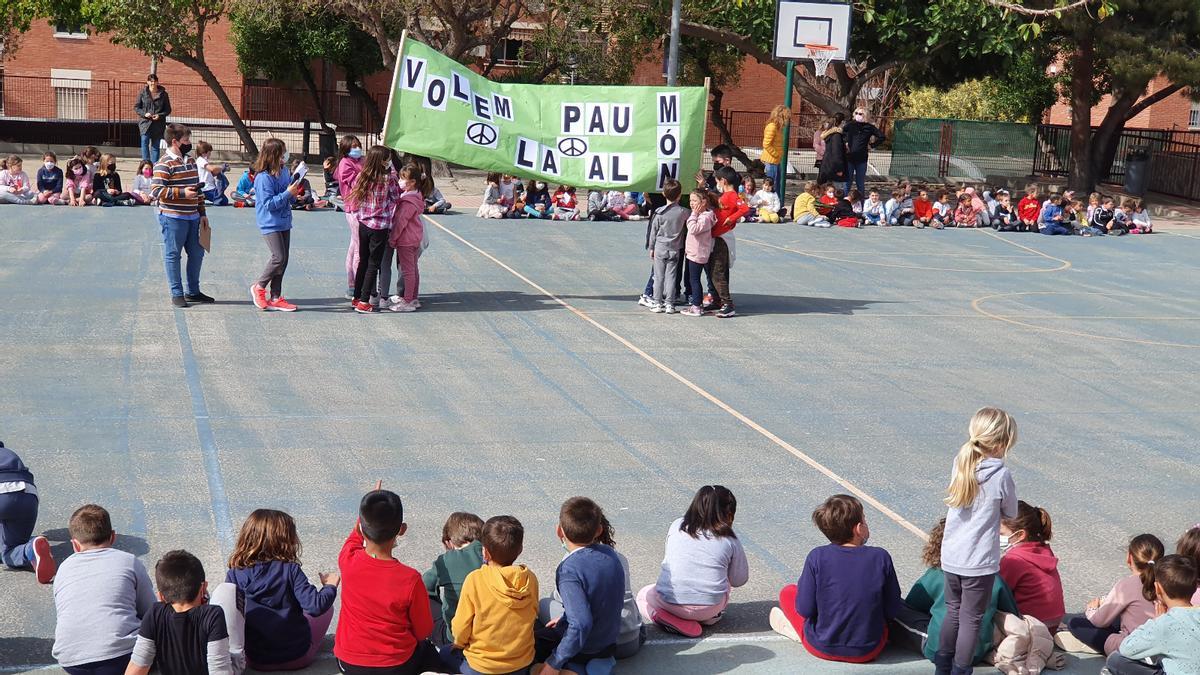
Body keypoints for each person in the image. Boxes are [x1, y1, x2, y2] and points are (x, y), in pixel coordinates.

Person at [936, 407, 1019, 675]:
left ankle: (942, 665)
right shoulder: (1001, 475)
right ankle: (961, 670)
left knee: (952, 611)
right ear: (1002, 443)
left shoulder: (961, 463)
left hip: (952, 555)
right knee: (971, 618)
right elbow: (1012, 512)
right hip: (979, 561)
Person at [772, 494, 900, 663]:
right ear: (859, 528)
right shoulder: (881, 557)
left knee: (788, 592)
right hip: (869, 649)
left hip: (822, 647)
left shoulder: (817, 556)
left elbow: (805, 609)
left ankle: (799, 631)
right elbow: (892, 609)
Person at [334, 483, 438, 674]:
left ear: (360, 528)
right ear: (402, 529)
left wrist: (369, 507)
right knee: (430, 653)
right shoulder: (410, 579)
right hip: (396, 665)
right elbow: (423, 631)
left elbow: (354, 537)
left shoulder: (348, 560)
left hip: (349, 663)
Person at [223, 509, 338, 671]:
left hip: (255, 659)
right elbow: (315, 607)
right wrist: (330, 587)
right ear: (285, 540)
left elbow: (228, 614)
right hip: (297, 657)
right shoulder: (290, 570)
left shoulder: (235, 573)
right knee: (327, 609)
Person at [892, 519, 1018, 666]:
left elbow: (913, 604)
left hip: (939, 649)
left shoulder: (937, 574)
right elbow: (1012, 613)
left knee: (896, 607)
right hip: (977, 651)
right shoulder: (994, 578)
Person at [53, 505, 156, 675]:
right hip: (121, 655)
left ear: (75, 545)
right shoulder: (128, 561)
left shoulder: (63, 569)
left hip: (71, 660)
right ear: (113, 536)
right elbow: (150, 613)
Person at [637, 486, 749, 638]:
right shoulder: (729, 537)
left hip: (670, 602)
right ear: (729, 514)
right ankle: (707, 619)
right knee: (723, 578)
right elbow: (739, 580)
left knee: (643, 595)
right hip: (709, 608)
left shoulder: (677, 525)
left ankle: (665, 617)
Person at [534, 497, 624, 675]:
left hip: (584, 648)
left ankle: (572, 669)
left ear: (559, 531)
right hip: (607, 643)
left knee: (525, 647)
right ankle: (599, 663)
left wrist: (554, 662)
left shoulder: (569, 570)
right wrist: (566, 617)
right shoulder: (610, 554)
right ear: (599, 530)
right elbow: (600, 599)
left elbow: (581, 623)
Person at [440, 516, 539, 675]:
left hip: (481, 667)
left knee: (444, 653)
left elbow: (461, 626)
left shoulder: (475, 579)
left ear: (484, 552)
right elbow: (534, 612)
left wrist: (459, 644)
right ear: (520, 550)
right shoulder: (529, 579)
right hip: (521, 663)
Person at [542, 515, 645, 660]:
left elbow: (576, 615)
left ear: (560, 531)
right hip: (629, 640)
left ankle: (591, 663)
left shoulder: (570, 563)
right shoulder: (616, 557)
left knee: (546, 602)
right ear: (600, 530)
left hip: (597, 643)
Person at [125, 550, 234, 675]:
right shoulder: (213, 615)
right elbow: (220, 670)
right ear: (203, 588)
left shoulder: (154, 614)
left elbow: (137, 667)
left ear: (161, 597)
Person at [1057, 534, 1162, 656]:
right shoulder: (1167, 581)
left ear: (1129, 558)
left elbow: (1099, 621)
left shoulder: (1126, 584)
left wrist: (1091, 609)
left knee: (1074, 622)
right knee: (1118, 615)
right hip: (1157, 641)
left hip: (1130, 645)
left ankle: (1094, 645)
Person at [1104, 554, 1200, 675]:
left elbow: (1126, 648)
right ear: (1195, 587)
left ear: (1157, 588)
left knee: (1116, 660)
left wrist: (1155, 621)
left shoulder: (1165, 623)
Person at [152, 123, 212, 308]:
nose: (189, 143)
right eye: (186, 140)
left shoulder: (191, 161)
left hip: (193, 216)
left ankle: (193, 291)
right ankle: (177, 293)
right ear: (175, 141)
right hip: (173, 216)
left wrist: (202, 212)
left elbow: (197, 188)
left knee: (197, 253)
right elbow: (156, 190)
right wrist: (183, 193)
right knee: (173, 254)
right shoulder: (164, 163)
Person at [248, 139, 300, 312]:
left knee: (283, 259)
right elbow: (268, 204)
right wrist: (287, 194)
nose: (286, 155)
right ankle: (259, 286)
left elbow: (289, 195)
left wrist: (294, 194)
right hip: (270, 222)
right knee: (278, 257)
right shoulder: (263, 178)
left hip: (284, 220)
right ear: (274, 155)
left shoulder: (284, 171)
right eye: (283, 152)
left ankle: (276, 296)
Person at [347, 146, 401, 314]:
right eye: (388, 159)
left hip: (363, 223)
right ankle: (364, 301)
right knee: (373, 264)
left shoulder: (362, 175)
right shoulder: (388, 178)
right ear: (383, 161)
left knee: (363, 260)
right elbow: (396, 197)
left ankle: (357, 297)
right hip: (379, 226)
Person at [997, 501, 1064, 631]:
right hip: (1053, 622)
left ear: (1020, 535)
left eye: (1001, 534)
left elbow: (995, 592)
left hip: (1030, 626)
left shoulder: (1013, 560)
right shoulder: (1043, 551)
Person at [423, 513, 486, 648]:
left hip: (454, 637)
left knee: (425, 598)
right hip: (490, 633)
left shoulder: (447, 560)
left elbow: (424, 587)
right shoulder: (494, 555)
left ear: (449, 542)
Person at [0, 441, 55, 583]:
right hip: (28, 496)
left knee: (4, 551)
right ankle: (30, 550)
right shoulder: (8, 454)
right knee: (11, 549)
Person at [386, 164, 426, 313]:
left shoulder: (408, 202)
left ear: (412, 182)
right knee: (413, 269)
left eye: (403, 179)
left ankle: (408, 300)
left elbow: (400, 222)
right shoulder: (416, 196)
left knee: (408, 271)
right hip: (414, 238)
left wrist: (393, 238)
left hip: (406, 240)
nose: (400, 182)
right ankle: (413, 297)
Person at [709, 166, 748, 318]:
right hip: (717, 235)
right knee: (716, 269)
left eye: (717, 180)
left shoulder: (731, 195)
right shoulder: (725, 195)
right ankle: (718, 300)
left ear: (723, 181)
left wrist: (730, 219)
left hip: (722, 237)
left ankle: (727, 304)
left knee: (717, 271)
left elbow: (744, 208)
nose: (717, 183)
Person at [648, 179, 688, 315]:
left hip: (660, 247)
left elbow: (654, 231)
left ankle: (657, 302)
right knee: (672, 276)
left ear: (664, 194)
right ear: (680, 195)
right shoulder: (683, 212)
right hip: (675, 248)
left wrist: (651, 247)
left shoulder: (660, 212)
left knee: (659, 276)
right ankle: (670, 304)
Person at [681, 190, 717, 317]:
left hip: (698, 254)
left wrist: (694, 214)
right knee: (693, 279)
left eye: (694, 201)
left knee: (694, 280)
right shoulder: (702, 216)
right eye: (690, 201)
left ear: (703, 202)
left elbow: (693, 229)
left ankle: (696, 306)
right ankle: (698, 305)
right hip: (693, 252)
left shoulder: (705, 217)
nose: (692, 204)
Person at [842, 108, 885, 195]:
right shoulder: (850, 125)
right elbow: (841, 134)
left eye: (860, 114)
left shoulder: (869, 127)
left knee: (860, 183)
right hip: (849, 158)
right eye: (856, 113)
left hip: (862, 159)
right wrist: (845, 143)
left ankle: (860, 203)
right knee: (847, 182)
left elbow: (882, 137)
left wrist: (872, 145)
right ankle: (843, 202)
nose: (858, 115)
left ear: (865, 115)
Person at [134, 74, 171, 163]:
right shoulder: (143, 93)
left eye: (154, 81)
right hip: (145, 123)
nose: (153, 83)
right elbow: (137, 107)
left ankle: (154, 165)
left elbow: (168, 109)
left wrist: (160, 115)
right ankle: (146, 164)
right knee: (144, 141)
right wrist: (144, 114)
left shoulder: (163, 94)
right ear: (147, 82)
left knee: (155, 145)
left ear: (157, 82)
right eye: (151, 81)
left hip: (158, 124)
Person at [760, 105, 790, 188]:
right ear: (781, 117)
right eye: (786, 117)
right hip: (772, 160)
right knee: (772, 185)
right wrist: (776, 154)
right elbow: (766, 144)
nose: (787, 120)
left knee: (776, 184)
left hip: (775, 160)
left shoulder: (777, 128)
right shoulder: (772, 127)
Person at [195, 142, 229, 206]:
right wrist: (221, 167)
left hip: (207, 187)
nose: (210, 154)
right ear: (205, 152)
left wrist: (220, 171)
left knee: (223, 199)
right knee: (223, 201)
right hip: (207, 188)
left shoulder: (203, 160)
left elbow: (211, 173)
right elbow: (212, 169)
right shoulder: (201, 160)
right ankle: (204, 195)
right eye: (209, 152)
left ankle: (203, 196)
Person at [817, 117, 847, 187]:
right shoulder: (836, 136)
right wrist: (839, 169)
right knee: (836, 191)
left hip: (827, 165)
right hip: (834, 168)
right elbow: (837, 153)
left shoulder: (828, 135)